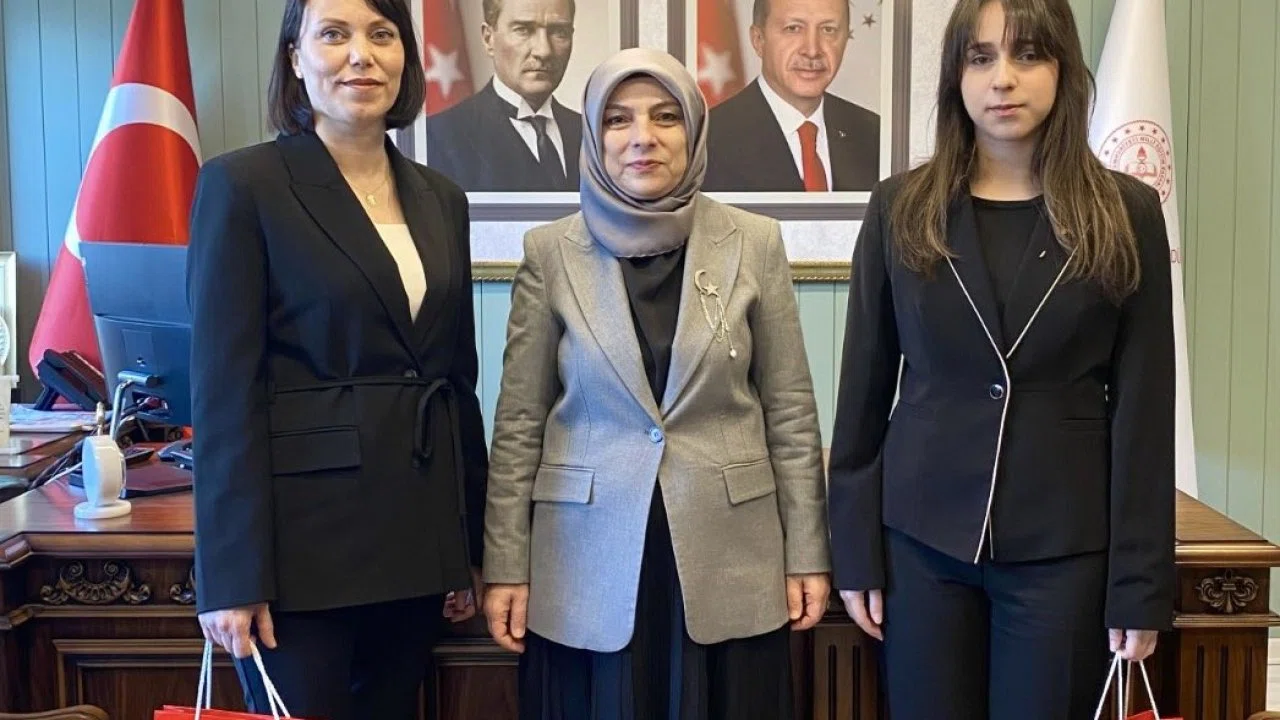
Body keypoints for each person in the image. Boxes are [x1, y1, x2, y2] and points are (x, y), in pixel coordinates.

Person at [826, 0, 1175, 717]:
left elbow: (1144, 413)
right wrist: (854, 553)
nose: (1002, 78)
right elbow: (862, 394)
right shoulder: (900, 208)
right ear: (956, 75)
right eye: (980, 57)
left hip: (1064, 551)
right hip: (920, 545)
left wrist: (1140, 587)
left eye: (1028, 54)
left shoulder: (1127, 212)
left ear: (1063, 68)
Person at [481, 47, 831, 720]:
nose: (643, 136)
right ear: (593, 135)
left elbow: (790, 412)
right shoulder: (550, 253)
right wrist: (505, 564)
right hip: (586, 562)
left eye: (666, 117)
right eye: (618, 119)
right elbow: (519, 425)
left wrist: (807, 553)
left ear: (694, 130)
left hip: (729, 555)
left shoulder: (753, 242)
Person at [187, 0, 487, 718]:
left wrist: (469, 545)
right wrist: (230, 575)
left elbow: (456, 383)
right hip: (304, 557)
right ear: (295, 57)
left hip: (415, 544)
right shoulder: (245, 186)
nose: (362, 55)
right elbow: (225, 394)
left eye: (382, 35)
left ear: (405, 56)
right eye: (333, 34)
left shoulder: (441, 198)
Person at [703, 0, 879, 193]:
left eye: (828, 30)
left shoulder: (874, 135)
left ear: (845, 39)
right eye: (793, 28)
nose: (812, 51)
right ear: (758, 40)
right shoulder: (708, 140)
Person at [425, 0, 582, 191]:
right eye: (523, 30)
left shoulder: (592, 135)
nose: (544, 51)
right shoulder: (437, 137)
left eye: (559, 32)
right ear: (488, 39)